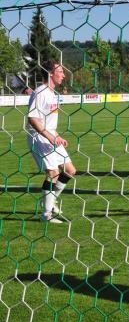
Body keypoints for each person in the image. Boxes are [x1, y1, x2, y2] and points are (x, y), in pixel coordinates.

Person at [26, 61, 77, 224]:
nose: (63, 75)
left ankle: (49, 199)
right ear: (50, 74)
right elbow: (33, 119)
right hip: (40, 137)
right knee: (53, 173)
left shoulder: (52, 93)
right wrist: (51, 137)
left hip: (52, 136)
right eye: (60, 71)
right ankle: (46, 215)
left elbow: (47, 120)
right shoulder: (40, 92)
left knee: (70, 170)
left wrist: (56, 136)